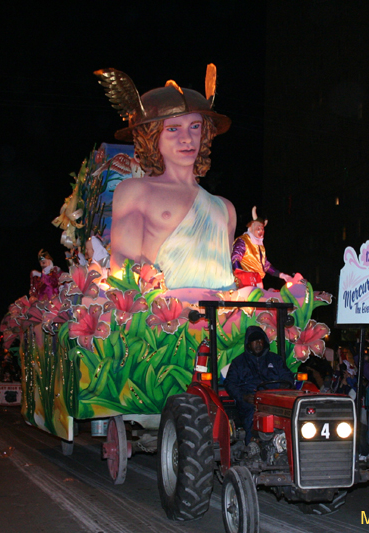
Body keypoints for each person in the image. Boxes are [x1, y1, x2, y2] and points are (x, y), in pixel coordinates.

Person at [97, 67, 236, 290]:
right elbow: (124, 261)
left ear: (205, 133)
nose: (186, 138)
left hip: (220, 318)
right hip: (163, 318)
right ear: (152, 137)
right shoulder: (136, 191)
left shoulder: (225, 208)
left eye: (195, 126)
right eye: (172, 129)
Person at [224, 326, 295, 444]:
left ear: (265, 342)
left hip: (275, 401)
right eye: (254, 340)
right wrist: (243, 397)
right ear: (248, 343)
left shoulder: (275, 360)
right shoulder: (239, 363)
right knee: (253, 415)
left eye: (261, 340)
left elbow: (287, 377)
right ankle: (252, 445)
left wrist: (282, 392)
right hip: (251, 402)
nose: (258, 343)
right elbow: (230, 384)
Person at [231, 207, 295, 289]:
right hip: (245, 284)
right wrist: (241, 274)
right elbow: (235, 258)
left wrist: (282, 275)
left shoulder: (260, 246)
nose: (261, 231)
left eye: (262, 229)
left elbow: (265, 265)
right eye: (258, 228)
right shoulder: (243, 241)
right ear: (251, 228)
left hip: (257, 282)